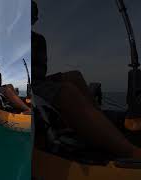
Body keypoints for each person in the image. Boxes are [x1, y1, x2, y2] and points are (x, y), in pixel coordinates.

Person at [32, 0, 141, 159]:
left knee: (74, 76)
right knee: (67, 91)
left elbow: (41, 70)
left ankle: (97, 124)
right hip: (30, 83)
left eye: (33, 15)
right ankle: (130, 152)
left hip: (37, 79)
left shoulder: (39, 40)